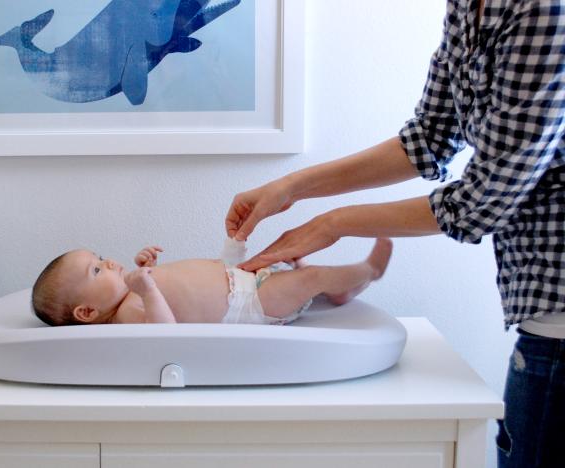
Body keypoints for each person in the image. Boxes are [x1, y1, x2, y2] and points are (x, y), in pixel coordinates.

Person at [225, 1, 564, 467]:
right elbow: (428, 138)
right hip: (542, 309)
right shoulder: (467, 7)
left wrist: (332, 223)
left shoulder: (545, 10)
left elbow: (485, 201)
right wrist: (290, 188)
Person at [31, 239, 392, 326]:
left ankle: (339, 289)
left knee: (297, 272)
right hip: (250, 305)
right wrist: (149, 289)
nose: (108, 262)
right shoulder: (125, 313)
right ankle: (365, 271)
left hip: (246, 280)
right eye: (96, 271)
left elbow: (179, 286)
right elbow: (165, 332)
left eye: (98, 258)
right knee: (308, 278)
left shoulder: (130, 290)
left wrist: (152, 270)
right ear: (87, 311)